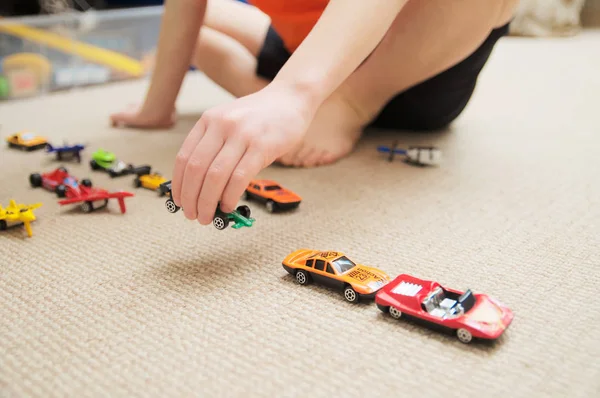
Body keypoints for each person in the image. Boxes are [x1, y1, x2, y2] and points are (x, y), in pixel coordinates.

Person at [110, 0, 519, 225]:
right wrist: (157, 106)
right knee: (192, 26)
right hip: (305, 48)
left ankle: (348, 103)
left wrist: (296, 94)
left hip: (413, 63)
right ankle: (287, 105)